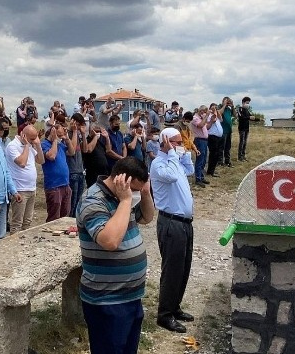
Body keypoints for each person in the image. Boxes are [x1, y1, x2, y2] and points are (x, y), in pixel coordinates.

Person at [76, 156, 154, 354]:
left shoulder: (123, 197)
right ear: (122, 181)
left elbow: (146, 217)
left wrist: (144, 194)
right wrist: (127, 200)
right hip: (107, 300)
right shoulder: (93, 200)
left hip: (131, 296)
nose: (135, 194)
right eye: (135, 189)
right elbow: (110, 241)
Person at [150, 127, 195, 334]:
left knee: (183, 267)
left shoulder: (174, 161)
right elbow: (172, 177)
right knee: (172, 270)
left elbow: (189, 171)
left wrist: (185, 154)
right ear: (166, 142)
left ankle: (175, 306)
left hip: (184, 223)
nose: (180, 146)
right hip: (171, 222)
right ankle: (164, 314)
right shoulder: (159, 164)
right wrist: (171, 154)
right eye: (176, 142)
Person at [5, 126, 44, 234]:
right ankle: (14, 247)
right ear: (23, 135)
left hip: (31, 188)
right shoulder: (12, 146)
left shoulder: (31, 145)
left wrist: (38, 144)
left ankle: (24, 245)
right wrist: (27, 145)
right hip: (20, 189)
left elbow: (41, 160)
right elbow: (22, 163)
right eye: (32, 139)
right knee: (17, 222)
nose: (33, 141)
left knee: (27, 221)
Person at [41, 122, 76, 222]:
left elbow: (72, 152)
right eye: (59, 135)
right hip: (54, 186)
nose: (61, 137)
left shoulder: (60, 144)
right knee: (54, 217)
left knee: (65, 216)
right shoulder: (44, 144)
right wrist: (55, 140)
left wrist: (67, 139)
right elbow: (51, 156)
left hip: (65, 184)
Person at [66, 114, 88, 218]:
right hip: (72, 172)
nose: (79, 127)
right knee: (72, 203)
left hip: (80, 171)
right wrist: (75, 131)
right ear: (73, 121)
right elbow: (73, 150)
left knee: (78, 202)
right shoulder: (68, 134)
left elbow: (85, 150)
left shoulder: (77, 134)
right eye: (78, 125)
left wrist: (83, 135)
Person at [82, 124, 110, 188]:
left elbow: (108, 150)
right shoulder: (87, 140)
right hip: (93, 174)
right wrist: (95, 137)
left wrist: (107, 138)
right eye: (96, 131)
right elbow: (89, 149)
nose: (97, 133)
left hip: (103, 172)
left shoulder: (100, 141)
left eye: (98, 132)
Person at [191, 106, 210, 188]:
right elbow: (201, 125)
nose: (205, 113)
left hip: (204, 140)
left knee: (204, 159)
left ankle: (201, 176)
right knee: (200, 159)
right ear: (201, 110)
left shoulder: (202, 117)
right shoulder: (195, 118)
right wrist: (206, 116)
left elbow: (206, 127)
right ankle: (198, 178)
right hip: (199, 140)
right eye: (204, 111)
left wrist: (211, 120)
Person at [218, 97, 236, 167]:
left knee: (228, 147)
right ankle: (220, 162)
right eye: (226, 101)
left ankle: (227, 161)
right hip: (223, 130)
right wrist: (224, 105)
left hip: (229, 131)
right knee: (221, 147)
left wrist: (233, 106)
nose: (228, 103)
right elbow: (219, 113)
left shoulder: (229, 109)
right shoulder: (220, 107)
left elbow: (235, 115)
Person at [206, 103, 223, 178]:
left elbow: (221, 120)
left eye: (215, 108)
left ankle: (212, 170)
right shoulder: (209, 116)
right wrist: (212, 115)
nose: (214, 109)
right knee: (213, 154)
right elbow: (208, 126)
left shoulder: (217, 115)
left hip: (218, 137)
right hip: (212, 137)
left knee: (217, 154)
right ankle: (210, 171)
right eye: (213, 108)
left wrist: (217, 112)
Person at [237, 96, 253, 162]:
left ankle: (243, 156)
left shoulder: (247, 110)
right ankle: (240, 156)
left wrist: (259, 119)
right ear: (243, 102)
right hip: (242, 128)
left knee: (245, 143)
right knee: (242, 142)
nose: (248, 104)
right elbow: (242, 117)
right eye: (247, 103)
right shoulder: (240, 109)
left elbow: (251, 117)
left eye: (248, 103)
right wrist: (249, 117)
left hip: (247, 129)